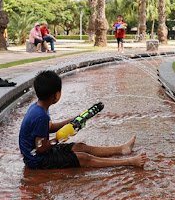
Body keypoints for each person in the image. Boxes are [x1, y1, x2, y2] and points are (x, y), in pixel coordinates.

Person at [18, 70, 146, 169]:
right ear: (56, 95)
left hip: (39, 154)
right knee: (84, 158)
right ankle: (129, 161)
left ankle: (122, 149)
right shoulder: (40, 116)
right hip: (37, 160)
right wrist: (58, 139)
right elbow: (40, 147)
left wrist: (74, 120)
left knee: (81, 147)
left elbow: (50, 127)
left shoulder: (39, 107)